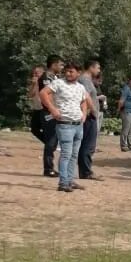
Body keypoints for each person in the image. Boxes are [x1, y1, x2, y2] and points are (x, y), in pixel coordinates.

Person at [39, 60, 92, 194]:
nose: (68, 73)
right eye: (66, 71)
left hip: (77, 125)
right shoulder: (58, 83)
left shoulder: (80, 87)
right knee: (66, 154)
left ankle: (69, 180)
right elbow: (43, 93)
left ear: (78, 73)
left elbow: (84, 101)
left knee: (74, 155)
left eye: (71, 71)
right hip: (65, 125)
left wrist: (84, 115)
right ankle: (63, 182)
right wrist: (52, 109)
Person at [35, 56, 64, 177]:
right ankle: (48, 168)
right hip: (49, 112)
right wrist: (53, 109)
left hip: (55, 111)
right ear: (53, 65)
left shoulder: (55, 77)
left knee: (54, 140)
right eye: (60, 65)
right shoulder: (46, 77)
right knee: (51, 141)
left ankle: (50, 167)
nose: (62, 67)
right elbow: (48, 95)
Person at [76, 58, 103, 181]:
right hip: (88, 116)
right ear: (91, 67)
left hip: (89, 115)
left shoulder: (87, 80)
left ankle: (85, 170)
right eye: (97, 68)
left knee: (87, 144)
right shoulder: (85, 80)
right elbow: (85, 97)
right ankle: (86, 171)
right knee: (88, 144)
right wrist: (92, 111)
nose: (99, 70)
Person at [117, 74, 131, 152]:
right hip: (127, 112)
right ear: (130, 81)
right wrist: (119, 109)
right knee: (126, 129)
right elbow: (121, 100)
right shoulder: (126, 89)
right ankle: (123, 146)